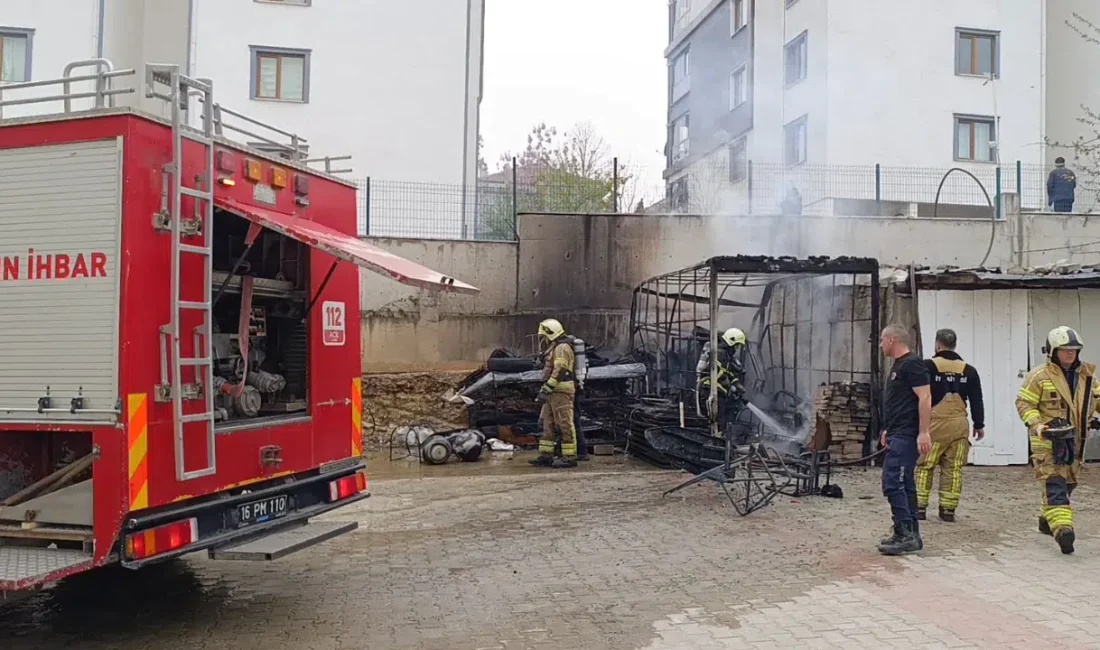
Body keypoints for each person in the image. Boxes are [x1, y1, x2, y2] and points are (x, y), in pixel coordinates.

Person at [1015, 326, 1100, 554]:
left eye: (1074, 349)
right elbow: (1024, 404)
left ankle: (1046, 520)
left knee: (1069, 484)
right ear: (1053, 351)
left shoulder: (1088, 376)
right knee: (1055, 485)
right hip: (1048, 442)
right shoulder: (1039, 376)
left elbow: (1097, 400)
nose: (1070, 353)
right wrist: (1038, 425)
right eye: (1065, 350)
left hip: (1075, 443)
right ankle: (1064, 531)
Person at [915, 329, 985, 522]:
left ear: (938, 345)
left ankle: (919, 508)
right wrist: (979, 424)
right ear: (954, 345)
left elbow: (918, 396)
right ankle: (948, 511)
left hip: (935, 425)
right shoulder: (969, 370)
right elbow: (977, 399)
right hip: (960, 425)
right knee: (953, 468)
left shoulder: (927, 366)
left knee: (925, 466)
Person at [877, 324, 932, 556]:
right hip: (897, 432)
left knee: (893, 482)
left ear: (891, 340)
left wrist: (924, 432)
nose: (880, 345)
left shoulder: (912, 364)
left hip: (907, 436)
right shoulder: (898, 366)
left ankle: (905, 534)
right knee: (905, 484)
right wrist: (888, 429)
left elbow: (925, 397)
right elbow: (900, 402)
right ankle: (911, 533)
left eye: (881, 340)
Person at [529, 318, 580, 469]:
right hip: (553, 390)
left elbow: (560, 371)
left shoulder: (562, 347)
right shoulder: (555, 346)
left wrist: (547, 389)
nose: (542, 340)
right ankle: (546, 456)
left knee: (564, 423)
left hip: (561, 389)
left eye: (544, 336)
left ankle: (569, 457)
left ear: (550, 333)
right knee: (548, 424)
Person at [696, 327, 748, 432]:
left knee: (719, 421)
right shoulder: (720, 353)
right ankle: (716, 443)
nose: (737, 348)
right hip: (711, 390)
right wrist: (730, 385)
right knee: (718, 422)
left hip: (717, 391)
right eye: (737, 345)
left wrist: (736, 383)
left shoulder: (725, 355)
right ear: (731, 342)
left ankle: (718, 440)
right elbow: (717, 372)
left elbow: (727, 371)